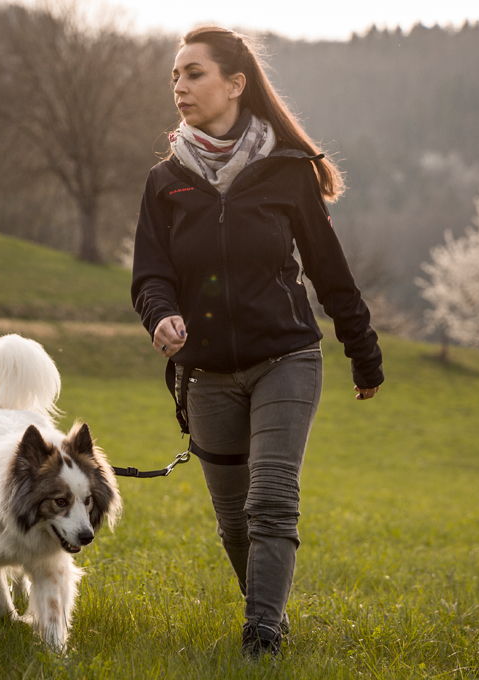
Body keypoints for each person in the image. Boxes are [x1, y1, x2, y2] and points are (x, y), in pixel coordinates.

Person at [131, 26, 384, 659]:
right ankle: (268, 613)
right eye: (175, 77)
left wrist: (364, 353)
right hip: (206, 372)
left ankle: (262, 638)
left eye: (194, 74)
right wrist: (161, 315)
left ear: (235, 83)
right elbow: (150, 275)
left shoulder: (287, 172)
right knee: (233, 518)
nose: (180, 87)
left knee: (271, 497)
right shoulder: (165, 181)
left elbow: (330, 271)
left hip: (286, 359)